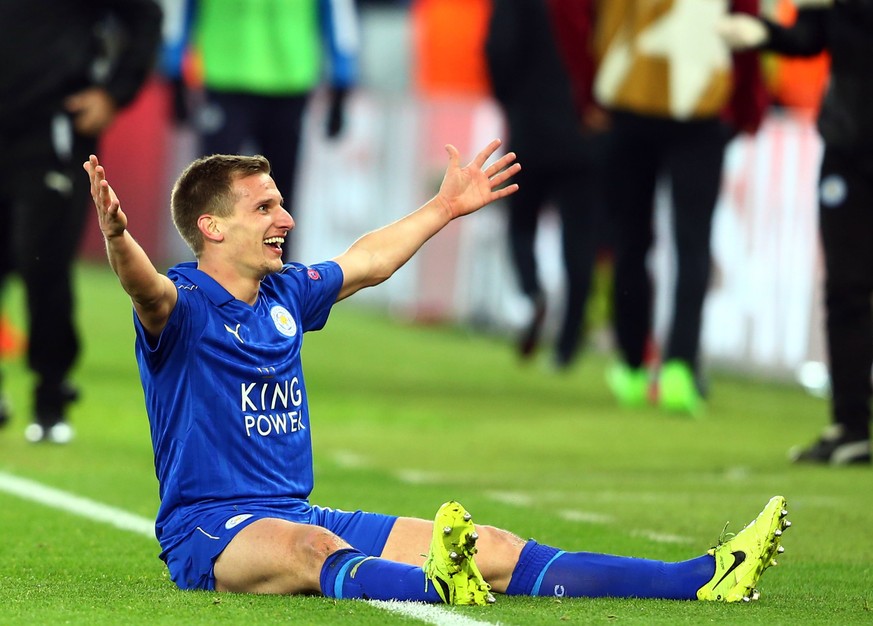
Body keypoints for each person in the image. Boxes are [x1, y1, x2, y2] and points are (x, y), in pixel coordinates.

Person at [83, 139, 789, 603]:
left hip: (297, 509)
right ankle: (434, 585)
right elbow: (145, 288)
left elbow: (367, 260)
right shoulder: (186, 303)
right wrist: (118, 238)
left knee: (498, 548)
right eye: (264, 206)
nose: (286, 218)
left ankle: (700, 576)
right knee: (309, 551)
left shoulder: (286, 292)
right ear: (212, 227)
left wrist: (444, 207)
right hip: (214, 529)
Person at [592, 0, 768, 415]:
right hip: (700, 103)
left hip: (629, 96)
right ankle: (679, 368)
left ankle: (633, 364)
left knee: (631, 239)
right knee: (693, 243)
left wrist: (588, 91)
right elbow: (745, 26)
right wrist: (746, 110)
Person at [0, 0, 163, 443]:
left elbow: (145, 17)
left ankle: (50, 396)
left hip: (51, 125)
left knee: (42, 259)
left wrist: (115, 92)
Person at [719, 0, 873, 465]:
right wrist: (764, 33)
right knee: (845, 287)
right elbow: (811, 39)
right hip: (848, 144)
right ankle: (850, 426)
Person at [166, 0, 359, 262]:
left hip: (287, 79)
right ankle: (209, 280)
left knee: (279, 197)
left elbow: (337, 12)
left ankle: (278, 284)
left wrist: (341, 82)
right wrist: (174, 70)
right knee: (213, 191)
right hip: (227, 74)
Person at [485, 0, 609, 369]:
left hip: (530, 127)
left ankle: (533, 291)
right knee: (580, 241)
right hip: (584, 129)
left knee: (521, 223)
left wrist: (511, 101)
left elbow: (498, 50)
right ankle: (568, 343)